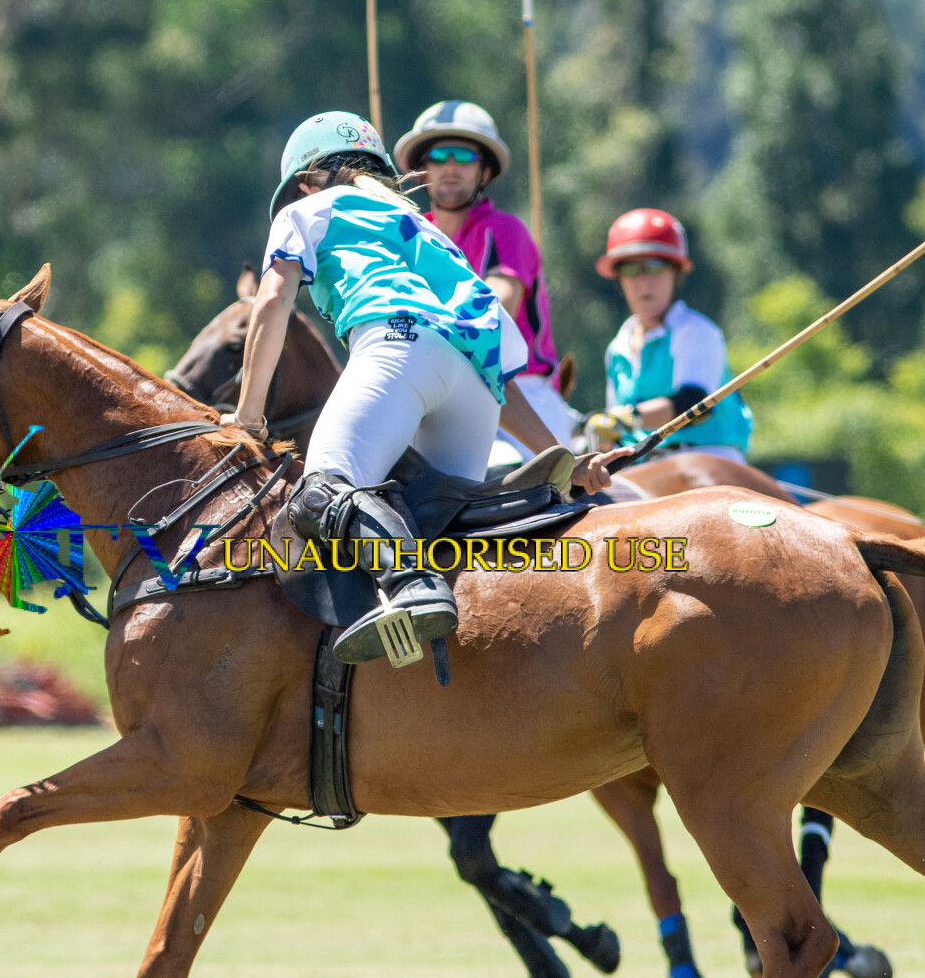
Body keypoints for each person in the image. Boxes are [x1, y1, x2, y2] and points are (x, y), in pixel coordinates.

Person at [219, 111, 622, 667]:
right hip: (474, 390)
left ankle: (409, 587)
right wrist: (564, 456)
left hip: (396, 345)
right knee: (440, 527)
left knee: (321, 492)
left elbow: (270, 302)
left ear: (307, 180)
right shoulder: (427, 229)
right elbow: (496, 373)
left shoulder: (305, 211)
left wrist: (247, 416)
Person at [393, 101, 576, 459]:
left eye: (464, 157)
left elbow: (497, 306)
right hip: (435, 392)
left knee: (511, 473)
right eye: (438, 156)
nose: (450, 167)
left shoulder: (505, 230)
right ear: (421, 170)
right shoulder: (408, 236)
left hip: (522, 393)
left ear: (485, 172)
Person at [585, 208, 753, 461]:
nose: (644, 282)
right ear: (618, 278)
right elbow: (615, 431)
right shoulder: (617, 348)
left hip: (708, 456)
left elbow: (694, 404)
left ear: (676, 273)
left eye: (655, 267)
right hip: (642, 466)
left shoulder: (697, 331)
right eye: (630, 269)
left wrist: (627, 418)